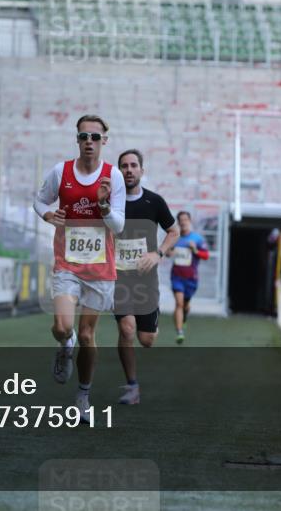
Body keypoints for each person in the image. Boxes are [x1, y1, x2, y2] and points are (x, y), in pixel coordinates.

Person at [34, 114, 125, 422]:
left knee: (88, 335)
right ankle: (64, 344)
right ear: (77, 140)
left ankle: (83, 395)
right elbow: (39, 201)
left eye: (95, 137)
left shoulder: (113, 177)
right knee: (62, 326)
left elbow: (120, 225)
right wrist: (48, 216)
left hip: (100, 269)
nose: (89, 142)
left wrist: (103, 206)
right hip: (67, 264)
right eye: (83, 136)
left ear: (104, 141)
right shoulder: (61, 171)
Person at [112, 149, 178, 405]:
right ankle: (132, 386)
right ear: (119, 171)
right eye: (124, 166)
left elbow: (173, 232)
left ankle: (152, 322)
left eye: (133, 165)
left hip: (146, 280)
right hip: (119, 278)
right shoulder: (112, 202)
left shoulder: (154, 202)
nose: (128, 170)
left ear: (142, 170)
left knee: (146, 339)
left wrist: (158, 253)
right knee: (126, 328)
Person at [168, 211, 209, 344]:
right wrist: (170, 252)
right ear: (178, 222)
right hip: (177, 276)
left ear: (189, 221)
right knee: (179, 303)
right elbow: (167, 252)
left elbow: (206, 256)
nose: (183, 222)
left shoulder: (197, 239)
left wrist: (195, 250)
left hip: (191, 278)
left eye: (186, 219)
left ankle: (185, 315)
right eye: (181, 220)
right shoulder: (175, 238)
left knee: (185, 305)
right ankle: (180, 332)